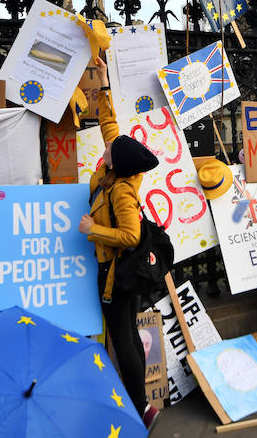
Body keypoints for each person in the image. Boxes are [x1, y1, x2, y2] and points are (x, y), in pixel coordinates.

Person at [79, 57, 160, 429]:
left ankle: (140, 407)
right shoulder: (115, 169)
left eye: (110, 150)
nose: (106, 147)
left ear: (117, 164)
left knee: (124, 338)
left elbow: (131, 236)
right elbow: (109, 125)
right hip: (114, 270)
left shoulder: (123, 191)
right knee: (127, 334)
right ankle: (142, 404)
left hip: (116, 274)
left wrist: (91, 229)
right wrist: (104, 81)